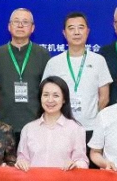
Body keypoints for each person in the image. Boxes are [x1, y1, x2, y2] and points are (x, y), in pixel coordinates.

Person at [41, 12, 111, 145]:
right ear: (64, 33)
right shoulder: (54, 62)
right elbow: (45, 94)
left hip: (91, 128)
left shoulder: (98, 60)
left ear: (87, 31)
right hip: (61, 126)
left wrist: (94, 119)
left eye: (81, 27)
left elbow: (104, 97)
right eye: (71, 28)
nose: (76, 32)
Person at [0, 8, 49, 133]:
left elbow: (48, 90)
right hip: (3, 124)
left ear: (32, 28)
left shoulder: (43, 54)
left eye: (25, 22)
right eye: (16, 21)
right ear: (9, 26)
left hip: (36, 124)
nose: (20, 25)